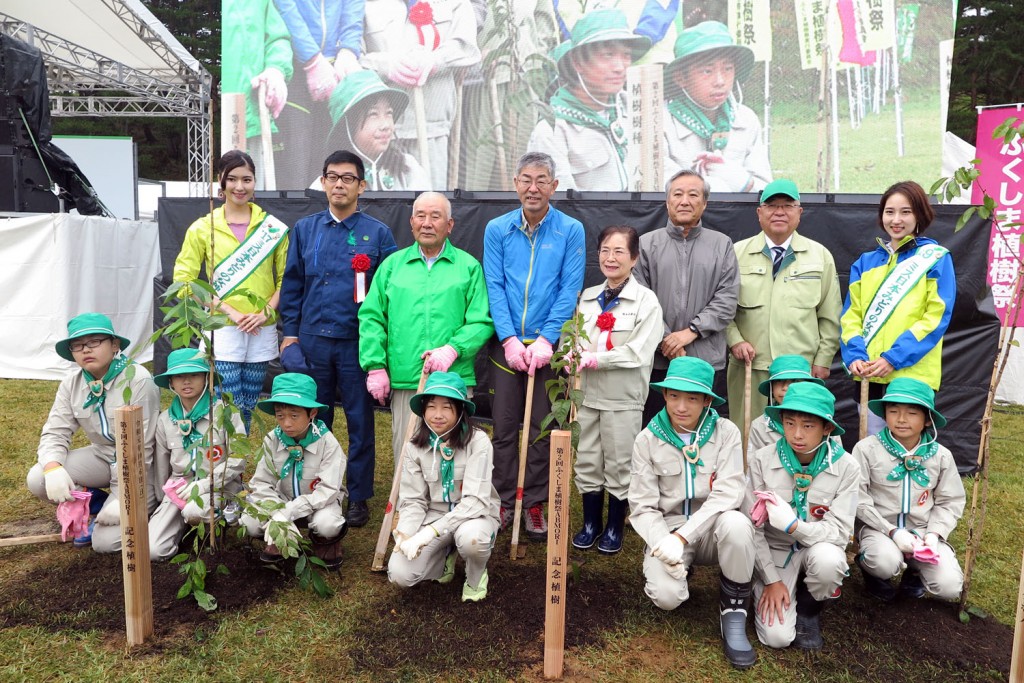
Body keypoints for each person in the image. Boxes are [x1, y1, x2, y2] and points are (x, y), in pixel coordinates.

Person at [280, 150, 398, 528]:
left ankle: (359, 495)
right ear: (324, 182)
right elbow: (293, 284)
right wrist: (290, 335)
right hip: (313, 340)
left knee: (361, 421)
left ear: (361, 186)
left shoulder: (378, 234)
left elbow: (388, 296)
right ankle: (320, 488)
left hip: (356, 343)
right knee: (317, 418)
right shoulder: (305, 229)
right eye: (332, 177)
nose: (339, 184)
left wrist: (380, 348)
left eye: (348, 178)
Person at [628, 356, 758, 670]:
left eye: (691, 398)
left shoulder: (726, 431)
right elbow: (643, 506)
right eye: (674, 396)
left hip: (714, 527)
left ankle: (734, 611)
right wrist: (664, 544)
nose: (681, 406)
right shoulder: (647, 439)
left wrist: (683, 537)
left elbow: (729, 491)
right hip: (668, 527)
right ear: (665, 395)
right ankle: (679, 571)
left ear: (706, 400)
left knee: (738, 523)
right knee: (667, 597)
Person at [483, 151, 585, 539]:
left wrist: (546, 339)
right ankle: (506, 500)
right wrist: (509, 339)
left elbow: (569, 287)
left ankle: (536, 502)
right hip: (507, 347)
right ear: (515, 183)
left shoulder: (570, 230)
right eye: (526, 179)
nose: (533, 187)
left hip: (549, 347)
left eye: (542, 180)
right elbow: (495, 285)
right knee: (506, 426)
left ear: (554, 186)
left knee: (544, 427)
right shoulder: (497, 229)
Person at [359, 191, 493, 467]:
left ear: (450, 225)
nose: (427, 223)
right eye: (421, 216)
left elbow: (482, 320)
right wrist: (375, 366)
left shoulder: (468, 267)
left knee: (453, 456)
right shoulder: (393, 266)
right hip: (406, 376)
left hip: (452, 379)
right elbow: (371, 317)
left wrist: (452, 350)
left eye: (436, 216)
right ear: (411, 222)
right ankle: (405, 507)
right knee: (407, 453)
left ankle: (451, 508)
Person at [173, 150, 289, 431]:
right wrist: (228, 310)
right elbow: (183, 282)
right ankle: (221, 458)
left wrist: (265, 311)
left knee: (249, 399)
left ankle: (237, 461)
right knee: (226, 399)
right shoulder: (203, 228)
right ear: (221, 182)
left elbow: (288, 279)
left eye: (247, 179)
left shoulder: (272, 228)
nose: (240, 187)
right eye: (233, 179)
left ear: (254, 182)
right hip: (222, 326)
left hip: (261, 326)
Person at [27, 313, 160, 553]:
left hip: (141, 468)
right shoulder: (72, 383)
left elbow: (143, 447)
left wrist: (123, 497)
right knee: (38, 478)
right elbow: (55, 432)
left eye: (94, 342)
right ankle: (93, 504)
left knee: (106, 544)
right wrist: (52, 467)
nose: (85, 350)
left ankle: (153, 511)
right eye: (77, 345)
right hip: (102, 457)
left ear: (114, 344)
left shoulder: (137, 379)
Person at [571, 225, 663, 555]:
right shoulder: (588, 297)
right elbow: (577, 336)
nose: (611, 258)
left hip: (623, 398)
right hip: (587, 396)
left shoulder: (646, 302)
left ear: (634, 258)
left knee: (621, 463)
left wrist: (597, 359)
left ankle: (614, 526)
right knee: (587, 459)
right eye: (605, 251)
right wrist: (571, 352)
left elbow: (640, 351)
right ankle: (591, 523)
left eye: (619, 251)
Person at [840, 180, 957, 434]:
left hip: (911, 375)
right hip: (868, 374)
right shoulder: (865, 263)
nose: (896, 219)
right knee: (870, 448)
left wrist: (894, 358)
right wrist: (855, 357)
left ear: (919, 215)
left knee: (907, 450)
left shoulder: (935, 258)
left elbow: (935, 318)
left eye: (906, 212)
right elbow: (851, 316)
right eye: (889, 211)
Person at [749, 382, 858, 651]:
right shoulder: (762, 459)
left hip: (817, 547)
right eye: (789, 423)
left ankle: (809, 610)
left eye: (808, 425)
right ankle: (762, 586)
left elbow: (841, 532)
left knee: (830, 562)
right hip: (775, 551)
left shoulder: (846, 467)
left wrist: (797, 527)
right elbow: (753, 528)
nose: (797, 434)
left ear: (827, 428)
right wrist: (771, 580)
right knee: (776, 638)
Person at [726, 178, 842, 423]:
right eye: (771, 205)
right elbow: (721, 308)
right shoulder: (736, 254)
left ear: (799, 212)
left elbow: (830, 315)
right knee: (749, 440)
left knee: (799, 440)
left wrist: (823, 360)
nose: (779, 211)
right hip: (750, 368)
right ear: (759, 212)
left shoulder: (819, 256)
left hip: (801, 371)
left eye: (788, 205)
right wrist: (734, 341)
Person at [634, 169, 739, 425]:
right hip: (659, 362)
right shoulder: (646, 244)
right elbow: (640, 298)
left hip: (706, 361)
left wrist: (691, 331)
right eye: (678, 194)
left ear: (704, 203)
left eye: (693, 195)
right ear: (667, 201)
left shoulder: (721, 244)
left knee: (705, 434)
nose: (685, 201)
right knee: (658, 432)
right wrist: (667, 340)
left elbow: (727, 299)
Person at [388, 372, 500, 601]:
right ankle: (444, 558)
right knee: (400, 574)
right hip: (433, 514)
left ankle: (475, 577)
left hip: (474, 517)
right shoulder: (413, 447)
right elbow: (413, 500)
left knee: (472, 541)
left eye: (447, 407)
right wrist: (407, 534)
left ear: (460, 411)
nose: (437, 415)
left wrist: (429, 533)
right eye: (431, 407)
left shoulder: (478, 442)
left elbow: (475, 501)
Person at [853, 378, 965, 602]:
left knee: (949, 587)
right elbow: (858, 498)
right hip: (880, 529)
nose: (901, 419)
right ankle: (873, 572)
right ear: (885, 415)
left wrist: (934, 534)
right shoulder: (866, 449)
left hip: (923, 532)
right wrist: (892, 531)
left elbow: (950, 501)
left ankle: (914, 571)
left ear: (926, 420)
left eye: (912, 413)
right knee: (883, 562)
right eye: (893, 411)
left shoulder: (941, 455)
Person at [360, 0, 482, 189]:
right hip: (379, 130)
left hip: (432, 125)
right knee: (382, 206)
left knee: (430, 206)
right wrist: (385, 65)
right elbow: (350, 55)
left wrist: (436, 60)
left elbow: (467, 46)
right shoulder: (364, 4)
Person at [527, 9, 651, 191]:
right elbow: (560, 206)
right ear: (578, 62)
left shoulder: (635, 109)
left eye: (626, 55)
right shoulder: (552, 131)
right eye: (608, 55)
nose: (619, 67)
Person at [148, 349, 247, 561]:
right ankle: (184, 530)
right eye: (179, 376)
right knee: (153, 550)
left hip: (220, 486)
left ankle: (220, 518)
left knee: (194, 510)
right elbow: (161, 465)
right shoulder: (165, 420)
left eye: (194, 375)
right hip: (180, 489)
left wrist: (205, 485)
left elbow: (238, 458)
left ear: (206, 379)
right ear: (171, 383)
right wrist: (163, 502)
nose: (186, 381)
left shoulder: (225, 413)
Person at [241, 373, 347, 570]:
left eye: (294, 415)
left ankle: (325, 542)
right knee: (250, 521)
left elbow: (328, 489)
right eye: (280, 416)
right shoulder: (272, 439)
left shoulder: (328, 443)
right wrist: (278, 510)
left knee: (327, 524)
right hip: (282, 499)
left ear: (312, 413)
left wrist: (291, 511)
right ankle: (283, 538)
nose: (286, 423)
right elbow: (261, 483)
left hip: (320, 503)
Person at [663, 21, 771, 193]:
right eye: (707, 71)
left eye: (728, 68)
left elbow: (766, 192)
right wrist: (702, 188)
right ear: (680, 78)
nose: (720, 81)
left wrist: (745, 183)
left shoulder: (746, 120)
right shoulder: (661, 123)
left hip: (738, 219)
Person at [271, 0, 366, 188]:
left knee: (331, 162)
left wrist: (348, 51)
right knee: (295, 162)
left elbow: (353, 10)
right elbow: (286, 8)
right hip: (295, 69)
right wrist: (312, 59)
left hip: (336, 69)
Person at [221, 0, 293, 188]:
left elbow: (277, 39)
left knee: (251, 202)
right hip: (198, 114)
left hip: (247, 119)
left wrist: (276, 70)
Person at [321, 70, 429, 191]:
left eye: (389, 113)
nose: (385, 125)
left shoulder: (409, 169)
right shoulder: (329, 185)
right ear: (348, 127)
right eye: (373, 114)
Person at [747, 354, 825, 454]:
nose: (785, 387)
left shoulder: (824, 420)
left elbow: (836, 461)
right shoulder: (759, 425)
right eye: (779, 381)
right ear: (771, 388)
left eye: (795, 381)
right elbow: (753, 464)